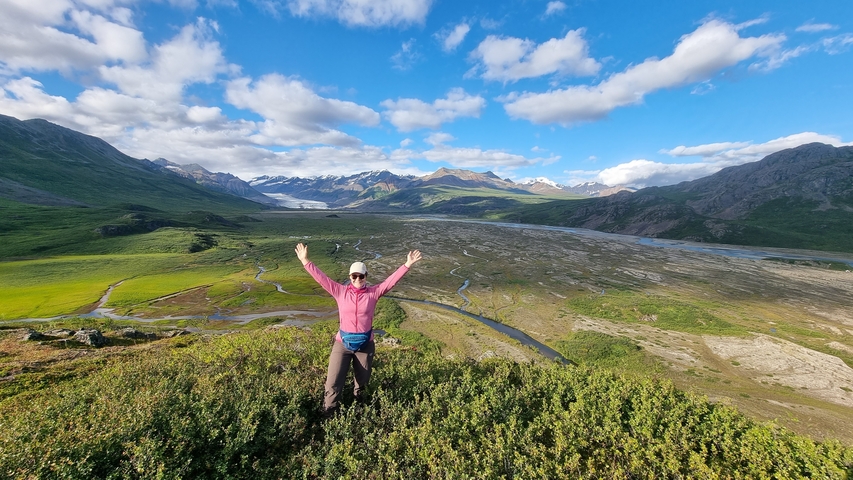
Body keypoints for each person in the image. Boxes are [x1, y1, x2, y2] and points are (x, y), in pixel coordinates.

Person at [294, 242, 422, 415]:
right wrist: (305, 261)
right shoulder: (340, 291)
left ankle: (359, 412)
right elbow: (321, 278)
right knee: (333, 382)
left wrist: (406, 265)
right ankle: (329, 413)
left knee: (361, 384)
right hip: (342, 344)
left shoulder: (373, 293)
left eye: (361, 276)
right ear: (349, 276)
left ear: (366, 276)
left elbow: (390, 282)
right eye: (354, 276)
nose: (357, 280)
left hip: (365, 345)